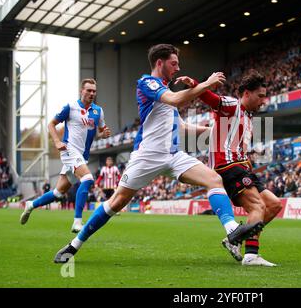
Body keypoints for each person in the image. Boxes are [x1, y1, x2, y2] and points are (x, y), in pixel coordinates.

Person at [53, 44, 264, 263]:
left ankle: (232, 230)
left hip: (173, 155)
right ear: (159, 63)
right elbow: (175, 100)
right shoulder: (148, 83)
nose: (178, 67)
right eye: (174, 63)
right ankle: (73, 245)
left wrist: (214, 131)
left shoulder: (166, 90)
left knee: (214, 179)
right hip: (148, 155)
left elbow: (181, 127)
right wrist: (206, 84)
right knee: (116, 202)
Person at [178, 70, 282, 266]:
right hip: (228, 166)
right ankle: (251, 255)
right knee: (257, 206)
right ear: (246, 94)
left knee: (274, 204)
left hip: (242, 166)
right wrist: (193, 81)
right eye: (260, 96)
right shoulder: (232, 105)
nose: (263, 101)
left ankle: (235, 238)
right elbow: (210, 98)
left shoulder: (248, 117)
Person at [20, 79, 112, 232]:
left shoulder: (98, 111)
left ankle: (31, 205)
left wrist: (104, 135)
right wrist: (57, 141)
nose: (92, 94)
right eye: (89, 90)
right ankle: (77, 221)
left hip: (82, 156)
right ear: (81, 91)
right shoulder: (71, 108)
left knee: (58, 193)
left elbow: (101, 132)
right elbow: (51, 124)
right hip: (69, 150)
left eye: (94, 91)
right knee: (88, 179)